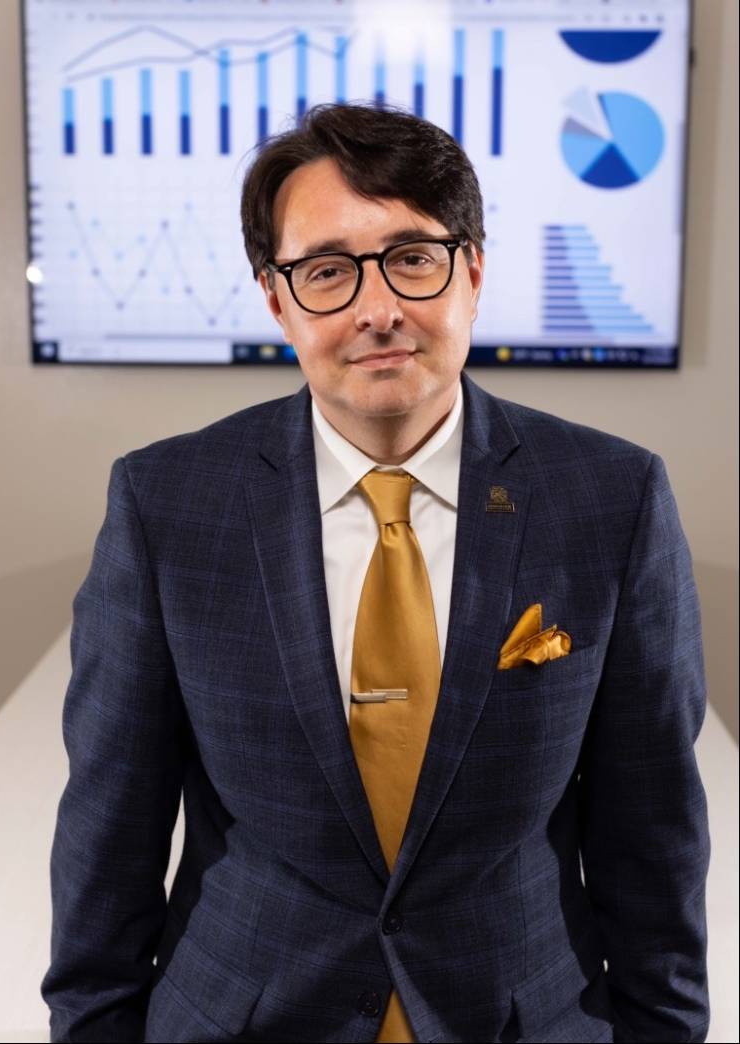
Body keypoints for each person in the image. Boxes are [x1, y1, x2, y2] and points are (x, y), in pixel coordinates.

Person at [41, 103, 710, 1044]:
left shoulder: (613, 499)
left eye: (413, 257)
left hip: (524, 1015)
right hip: (244, 1014)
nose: (378, 308)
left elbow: (655, 842)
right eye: (326, 272)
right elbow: (108, 839)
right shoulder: (166, 505)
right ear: (277, 301)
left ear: (471, 273)